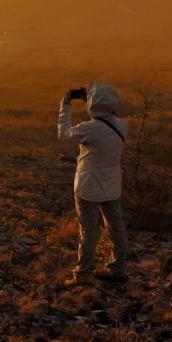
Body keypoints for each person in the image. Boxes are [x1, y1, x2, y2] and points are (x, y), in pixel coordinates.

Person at [57, 81, 129, 286]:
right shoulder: (121, 125)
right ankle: (119, 268)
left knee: (88, 231)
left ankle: (83, 274)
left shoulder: (90, 129)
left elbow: (64, 136)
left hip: (88, 186)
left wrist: (65, 106)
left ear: (93, 103)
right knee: (116, 227)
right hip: (112, 185)